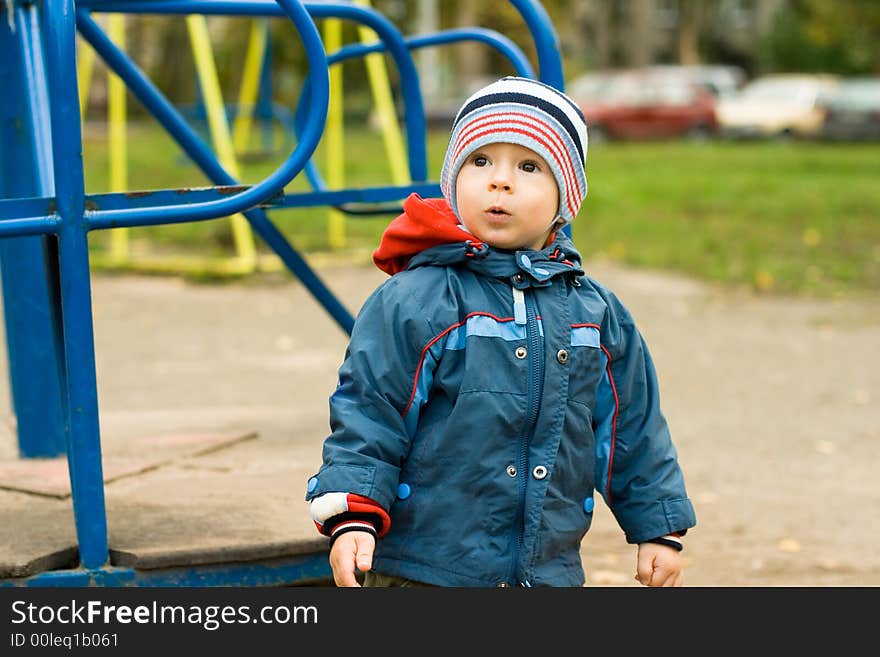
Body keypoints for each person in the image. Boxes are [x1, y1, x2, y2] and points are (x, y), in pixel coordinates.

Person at [305, 76, 696, 587]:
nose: (500, 181)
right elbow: (370, 409)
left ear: (565, 199)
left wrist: (657, 525)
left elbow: (632, 430)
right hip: (425, 569)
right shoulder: (417, 300)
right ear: (454, 178)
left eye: (529, 166)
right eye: (481, 161)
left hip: (546, 569)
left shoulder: (594, 313)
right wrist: (354, 511)